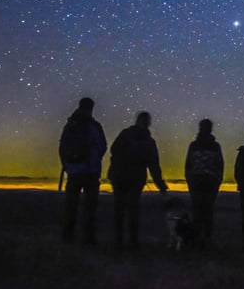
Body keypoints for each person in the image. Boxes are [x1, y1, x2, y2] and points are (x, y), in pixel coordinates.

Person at [107, 111, 168, 250]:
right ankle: (131, 243)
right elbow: (154, 164)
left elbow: (113, 150)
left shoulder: (126, 135)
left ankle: (120, 242)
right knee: (131, 210)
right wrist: (161, 185)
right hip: (131, 178)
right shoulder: (148, 141)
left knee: (121, 210)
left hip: (122, 177)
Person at [58, 97, 107, 245]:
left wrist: (67, 166)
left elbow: (62, 148)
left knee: (71, 207)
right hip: (90, 172)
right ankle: (88, 241)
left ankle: (67, 239)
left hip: (73, 171)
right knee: (89, 209)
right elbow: (102, 146)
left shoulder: (70, 125)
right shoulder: (94, 126)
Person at [184, 118, 224, 249]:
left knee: (199, 212)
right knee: (206, 212)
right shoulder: (214, 146)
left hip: (200, 182)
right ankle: (204, 240)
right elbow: (220, 165)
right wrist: (218, 179)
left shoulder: (194, 145)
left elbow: (188, 165)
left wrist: (190, 179)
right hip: (207, 182)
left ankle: (200, 240)